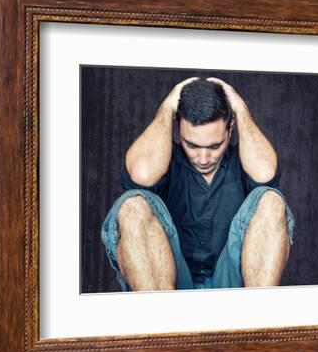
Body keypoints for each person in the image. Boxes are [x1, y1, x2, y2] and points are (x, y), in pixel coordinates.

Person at [101, 77, 294, 291]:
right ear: (177, 128)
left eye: (214, 146)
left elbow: (266, 173)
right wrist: (166, 109)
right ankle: (163, 320)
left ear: (230, 128)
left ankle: (258, 322)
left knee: (271, 201)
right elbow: (141, 174)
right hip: (170, 283)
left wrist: (241, 109)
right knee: (132, 206)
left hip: (232, 284)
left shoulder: (245, 160)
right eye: (192, 145)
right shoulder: (163, 160)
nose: (203, 158)